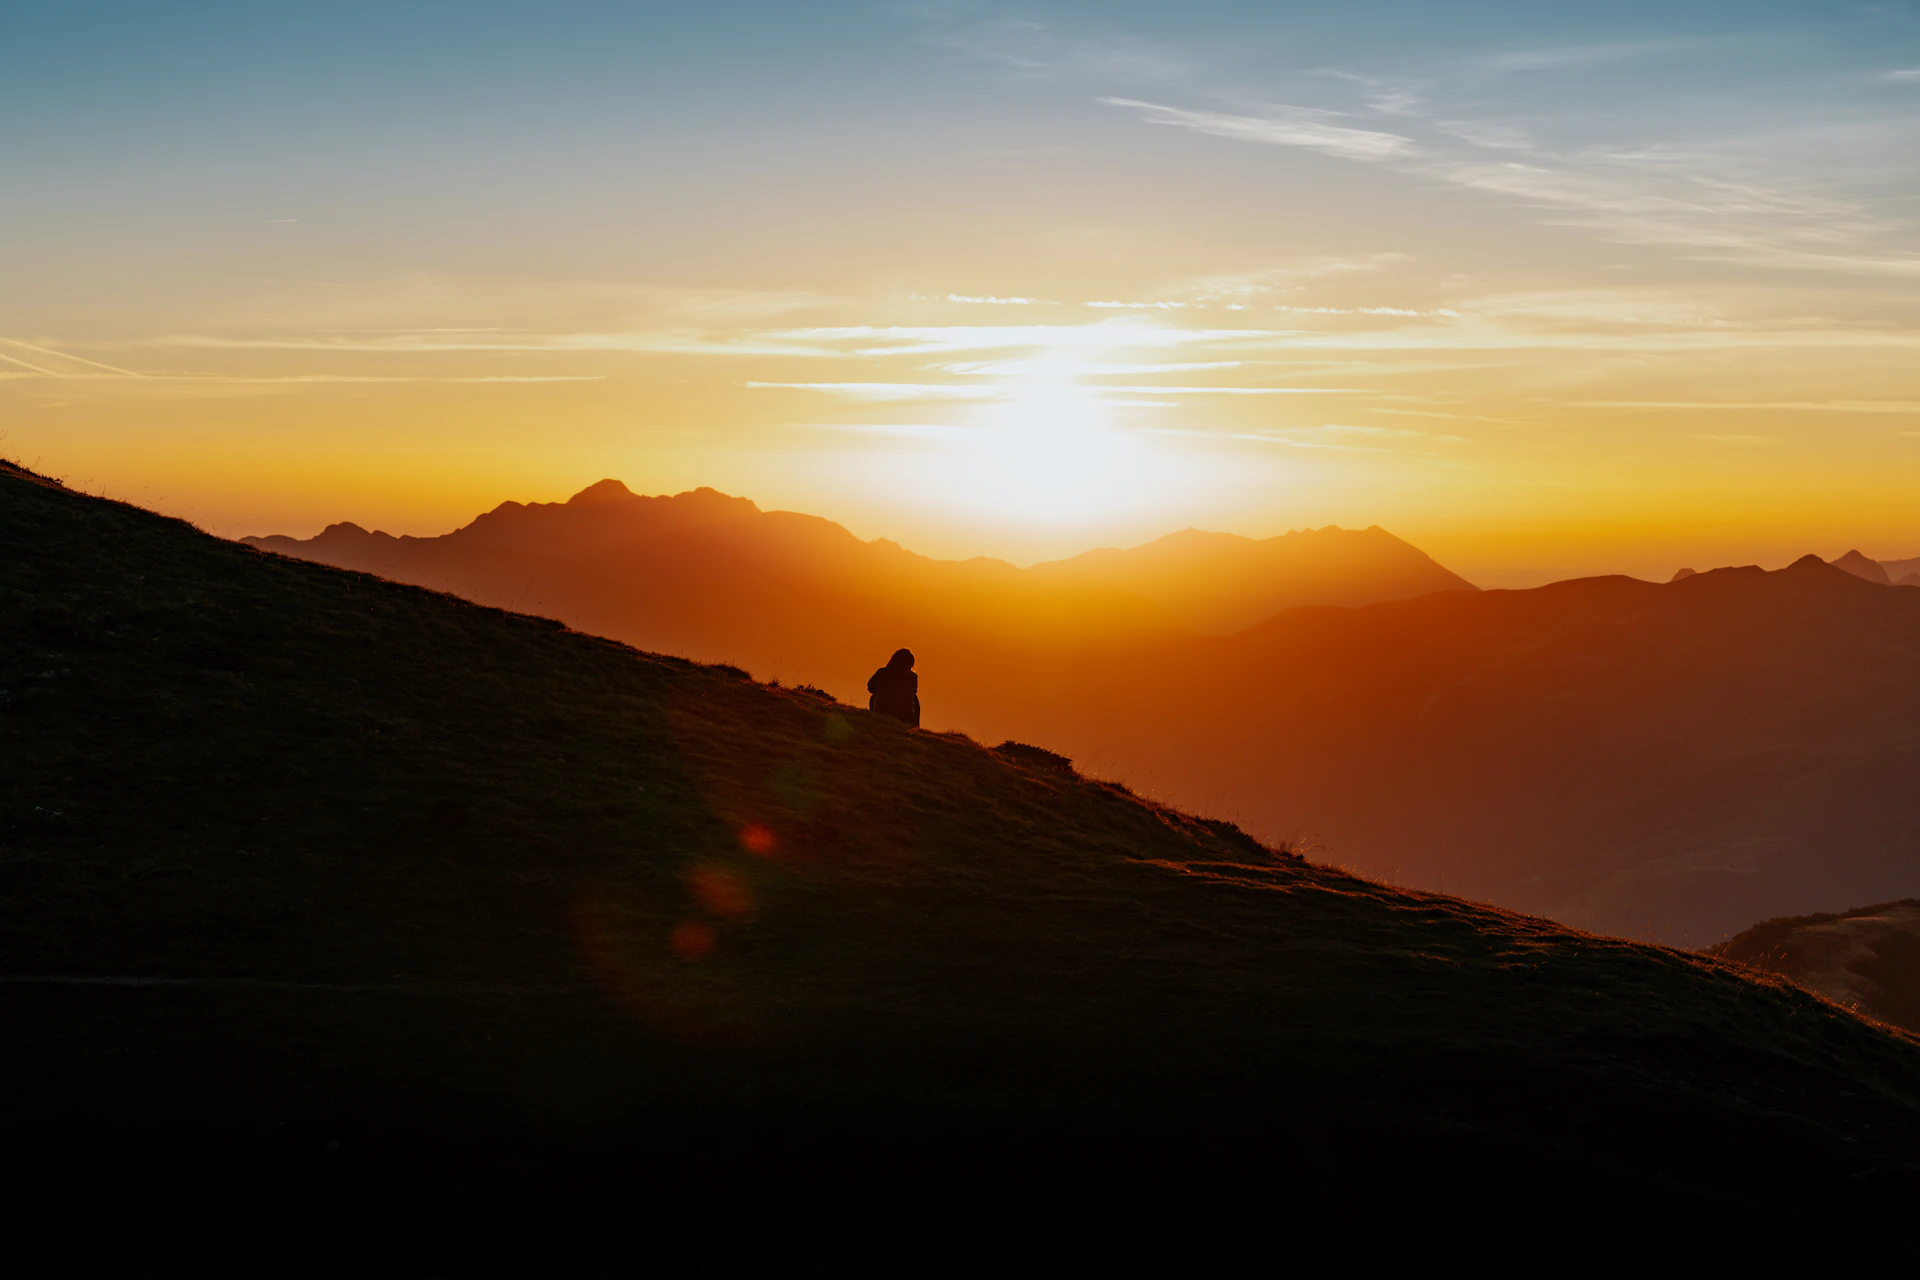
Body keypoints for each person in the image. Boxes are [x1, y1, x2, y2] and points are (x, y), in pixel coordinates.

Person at [866, 648, 920, 727]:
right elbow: (913, 692)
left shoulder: (882, 672)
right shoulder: (912, 677)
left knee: (873, 697)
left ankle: (875, 715)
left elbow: (870, 687)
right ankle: (915, 725)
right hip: (905, 718)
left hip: (882, 712)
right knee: (915, 699)